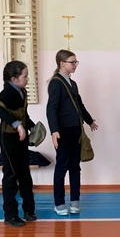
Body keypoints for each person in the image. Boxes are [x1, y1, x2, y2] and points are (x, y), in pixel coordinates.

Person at [46, 49, 99, 216]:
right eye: (72, 62)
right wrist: (54, 131)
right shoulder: (55, 83)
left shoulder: (72, 83)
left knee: (75, 167)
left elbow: (79, 105)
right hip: (63, 132)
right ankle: (59, 203)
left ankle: (75, 202)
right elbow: (51, 109)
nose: (75, 65)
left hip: (76, 130)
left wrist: (89, 121)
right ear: (62, 64)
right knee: (62, 167)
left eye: (76, 62)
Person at [0, 61, 36, 227]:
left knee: (25, 173)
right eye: (25, 76)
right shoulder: (6, 93)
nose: (28, 79)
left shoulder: (22, 92)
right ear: (13, 78)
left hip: (21, 138)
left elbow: (23, 114)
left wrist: (31, 126)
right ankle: (10, 214)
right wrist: (17, 124)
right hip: (8, 138)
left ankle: (29, 210)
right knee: (11, 175)